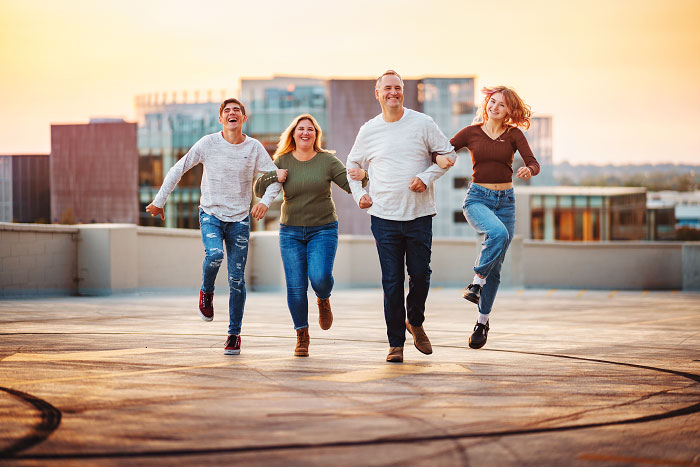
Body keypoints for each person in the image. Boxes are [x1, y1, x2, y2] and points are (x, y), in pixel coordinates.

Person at [145, 98, 283, 356]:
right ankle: (206, 291)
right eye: (227, 111)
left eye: (237, 111)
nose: (232, 114)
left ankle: (233, 334)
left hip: (240, 220)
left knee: (236, 280)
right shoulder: (208, 143)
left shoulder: (253, 148)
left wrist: (264, 203)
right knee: (215, 255)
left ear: (244, 118)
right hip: (211, 214)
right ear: (221, 119)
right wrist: (159, 201)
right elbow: (179, 168)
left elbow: (276, 178)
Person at [346, 70, 456, 363]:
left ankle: (415, 321)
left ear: (402, 92)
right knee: (392, 281)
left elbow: (449, 155)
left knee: (420, 275)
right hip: (383, 217)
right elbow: (352, 165)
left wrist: (426, 176)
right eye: (387, 89)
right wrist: (360, 195)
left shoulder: (422, 123)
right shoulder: (369, 129)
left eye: (398, 88)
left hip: (419, 215)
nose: (393, 93)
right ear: (377, 93)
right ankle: (396, 343)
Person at [254, 114, 367, 357]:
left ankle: (323, 298)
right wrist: (276, 175)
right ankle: (302, 335)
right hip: (290, 232)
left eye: (311, 129)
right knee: (295, 287)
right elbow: (258, 188)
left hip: (323, 229)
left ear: (316, 135)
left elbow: (349, 184)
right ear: (293, 134)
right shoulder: (282, 160)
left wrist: (363, 176)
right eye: (301, 129)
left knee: (320, 277)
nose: (306, 133)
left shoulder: (327, 161)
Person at [447, 86, 540, 350]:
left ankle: (482, 322)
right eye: (492, 102)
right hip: (477, 199)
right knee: (498, 234)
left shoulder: (513, 134)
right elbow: (443, 150)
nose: (494, 107)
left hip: (506, 202)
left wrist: (528, 170)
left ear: (509, 110)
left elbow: (533, 162)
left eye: (501, 105)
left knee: (496, 270)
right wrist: (441, 160)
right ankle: (476, 283)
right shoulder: (471, 132)